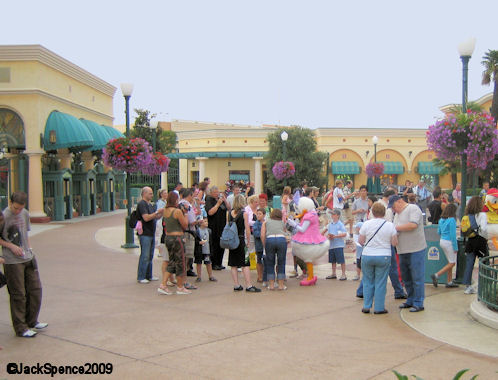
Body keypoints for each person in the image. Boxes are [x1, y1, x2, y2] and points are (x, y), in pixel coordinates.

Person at [0, 193, 48, 337]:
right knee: (18, 294)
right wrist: (11, 246)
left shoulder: (25, 214)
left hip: (27, 257)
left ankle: (32, 321)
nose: (18, 211)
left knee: (35, 289)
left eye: (21, 209)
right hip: (12, 261)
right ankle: (21, 327)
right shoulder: (4, 216)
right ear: (10, 203)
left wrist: (30, 249)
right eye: (15, 208)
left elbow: (25, 234)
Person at [358, 202, 398, 314]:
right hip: (384, 255)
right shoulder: (390, 225)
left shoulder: (366, 224)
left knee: (367, 280)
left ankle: (366, 306)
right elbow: (394, 243)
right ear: (384, 213)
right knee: (380, 282)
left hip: (367, 255)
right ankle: (379, 307)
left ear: (372, 212)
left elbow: (361, 241)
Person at [391, 194, 427, 312]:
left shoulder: (413, 208)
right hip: (402, 250)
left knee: (417, 276)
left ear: (400, 201)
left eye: (394, 206)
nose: (393, 209)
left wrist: (395, 228)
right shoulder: (397, 214)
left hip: (416, 249)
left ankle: (418, 302)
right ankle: (410, 299)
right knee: (406, 277)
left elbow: (413, 225)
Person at [158, 191, 190, 295]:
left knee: (171, 261)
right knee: (180, 262)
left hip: (168, 237)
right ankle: (180, 287)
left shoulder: (166, 210)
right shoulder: (177, 211)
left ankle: (163, 284)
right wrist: (185, 213)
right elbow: (185, 225)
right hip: (177, 238)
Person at [229, 194, 261, 292]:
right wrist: (247, 240)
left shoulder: (230, 213)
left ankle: (236, 284)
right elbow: (247, 229)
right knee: (245, 263)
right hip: (241, 239)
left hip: (232, 240)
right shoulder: (244, 213)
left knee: (233, 264)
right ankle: (248, 285)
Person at [136, 187, 163, 283]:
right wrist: (156, 212)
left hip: (151, 232)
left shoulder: (150, 205)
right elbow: (146, 218)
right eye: (150, 193)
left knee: (150, 255)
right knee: (145, 255)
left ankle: (149, 275)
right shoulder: (142, 204)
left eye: (152, 193)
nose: (152, 195)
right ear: (144, 194)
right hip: (145, 233)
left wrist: (160, 214)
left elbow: (154, 217)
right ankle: (141, 276)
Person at [462, 196, 488, 294]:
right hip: (480, 241)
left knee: (469, 264)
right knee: (484, 263)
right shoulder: (482, 215)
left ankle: (467, 287)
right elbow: (484, 229)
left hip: (470, 242)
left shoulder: (468, 215)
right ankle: (484, 285)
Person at [430, 204, 459, 288]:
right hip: (449, 242)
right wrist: (455, 247)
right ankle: (436, 275)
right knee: (452, 263)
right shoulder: (452, 220)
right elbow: (453, 235)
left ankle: (449, 281)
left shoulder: (441, 220)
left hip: (442, 241)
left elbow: (439, 232)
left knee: (449, 261)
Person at [261, 208, 288, 290]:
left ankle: (271, 285)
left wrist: (265, 245)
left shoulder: (265, 222)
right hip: (281, 240)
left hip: (270, 239)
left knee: (270, 263)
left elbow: (262, 235)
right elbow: (285, 233)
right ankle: (281, 285)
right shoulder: (282, 223)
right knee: (281, 262)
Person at [206, 186, 230, 270]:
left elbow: (229, 208)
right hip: (213, 226)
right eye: (215, 192)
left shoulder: (221, 200)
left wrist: (225, 200)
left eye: (218, 192)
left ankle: (220, 262)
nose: (217, 194)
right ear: (211, 193)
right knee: (214, 245)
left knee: (221, 244)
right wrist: (218, 204)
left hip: (222, 226)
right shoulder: (209, 200)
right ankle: (214, 263)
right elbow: (210, 212)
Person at [179, 188, 199, 283]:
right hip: (188, 232)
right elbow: (191, 221)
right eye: (193, 196)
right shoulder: (187, 205)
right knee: (187, 255)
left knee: (184, 254)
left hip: (182, 232)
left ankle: (182, 274)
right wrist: (198, 221)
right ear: (189, 196)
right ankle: (183, 276)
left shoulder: (179, 204)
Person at [324, 209, 347, 280]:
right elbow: (328, 233)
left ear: (338, 216)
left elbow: (344, 233)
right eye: (332, 214)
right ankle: (333, 273)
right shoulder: (330, 224)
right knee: (332, 260)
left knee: (341, 260)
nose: (332, 216)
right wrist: (329, 236)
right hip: (332, 245)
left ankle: (343, 274)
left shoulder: (340, 224)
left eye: (334, 214)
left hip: (338, 245)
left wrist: (335, 236)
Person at [195, 218, 217, 283]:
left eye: (207, 221)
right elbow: (195, 239)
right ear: (200, 223)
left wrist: (211, 250)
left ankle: (210, 276)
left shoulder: (209, 231)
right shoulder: (197, 231)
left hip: (207, 250)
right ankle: (199, 276)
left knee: (208, 263)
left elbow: (210, 241)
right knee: (199, 263)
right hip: (199, 250)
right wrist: (198, 242)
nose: (207, 223)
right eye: (205, 221)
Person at [253, 208, 266, 284]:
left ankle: (265, 275)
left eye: (260, 214)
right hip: (259, 246)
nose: (258, 215)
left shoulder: (266, 222)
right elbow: (256, 234)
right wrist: (263, 233)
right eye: (257, 214)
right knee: (259, 261)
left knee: (265, 261)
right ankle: (259, 276)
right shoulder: (256, 224)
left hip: (266, 246)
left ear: (264, 215)